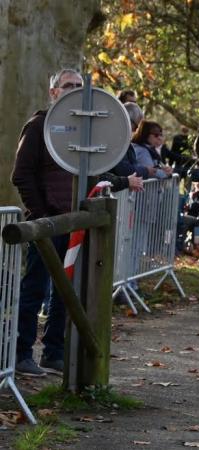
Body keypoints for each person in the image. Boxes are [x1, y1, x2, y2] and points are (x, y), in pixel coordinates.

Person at [10, 68, 83, 377]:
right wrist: (41, 216)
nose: (75, 90)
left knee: (66, 292)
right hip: (46, 224)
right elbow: (21, 174)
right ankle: (20, 353)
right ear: (54, 92)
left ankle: (53, 352)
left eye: (80, 86)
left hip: (72, 221)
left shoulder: (85, 129)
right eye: (69, 86)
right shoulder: (39, 125)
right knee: (35, 290)